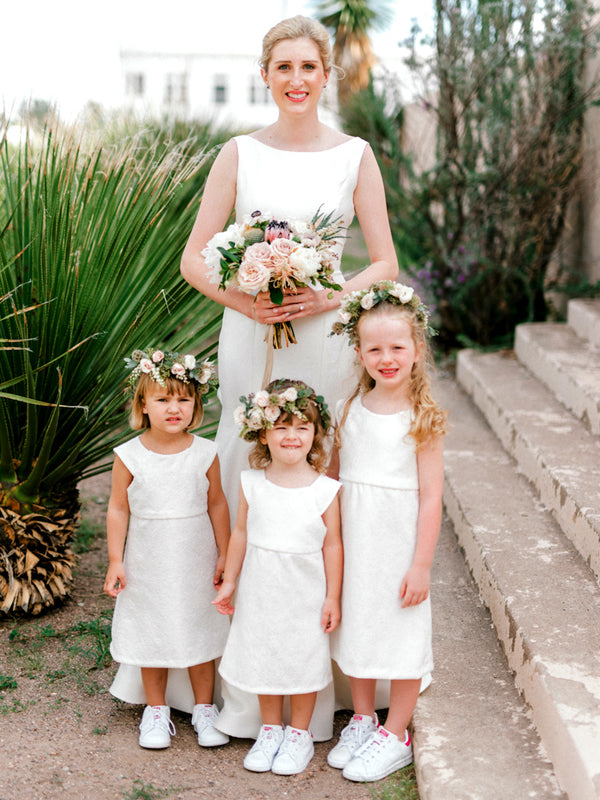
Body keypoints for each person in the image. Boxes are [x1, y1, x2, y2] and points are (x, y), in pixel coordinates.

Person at [180, 14, 398, 520]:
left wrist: (327, 297)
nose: (295, 80)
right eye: (283, 67)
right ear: (265, 74)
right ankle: (238, 580)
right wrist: (247, 304)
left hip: (326, 332)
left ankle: (320, 585)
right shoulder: (239, 154)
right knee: (246, 440)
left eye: (307, 67)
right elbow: (192, 260)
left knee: (321, 445)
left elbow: (385, 261)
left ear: (326, 75)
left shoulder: (356, 156)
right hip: (250, 333)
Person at [327, 281, 447, 782]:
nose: (387, 357)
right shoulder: (348, 409)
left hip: (398, 542)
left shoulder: (423, 417)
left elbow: (431, 497)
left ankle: (396, 731)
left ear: (417, 351)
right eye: (374, 348)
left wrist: (420, 564)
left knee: (398, 631)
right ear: (359, 353)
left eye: (397, 347)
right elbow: (333, 481)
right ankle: (362, 716)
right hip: (356, 539)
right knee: (357, 626)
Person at [213, 379, 343, 776]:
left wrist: (332, 597)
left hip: (305, 592)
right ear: (262, 433)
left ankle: (299, 734)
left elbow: (333, 545)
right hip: (261, 588)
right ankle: (269, 730)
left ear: (315, 435)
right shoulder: (251, 483)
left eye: (302, 427)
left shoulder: (325, 489)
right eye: (281, 426)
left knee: (302, 659)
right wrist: (230, 581)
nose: (291, 435)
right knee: (265, 656)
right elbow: (240, 534)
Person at [103, 348, 231, 750]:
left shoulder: (205, 451)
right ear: (143, 403)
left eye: (183, 399)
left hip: (196, 556)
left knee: (200, 630)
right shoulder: (129, 455)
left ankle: (204, 708)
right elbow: (118, 508)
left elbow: (217, 504)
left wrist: (225, 553)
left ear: (196, 403)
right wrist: (114, 560)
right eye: (163, 399)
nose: (174, 408)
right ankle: (155, 710)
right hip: (148, 559)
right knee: (152, 630)